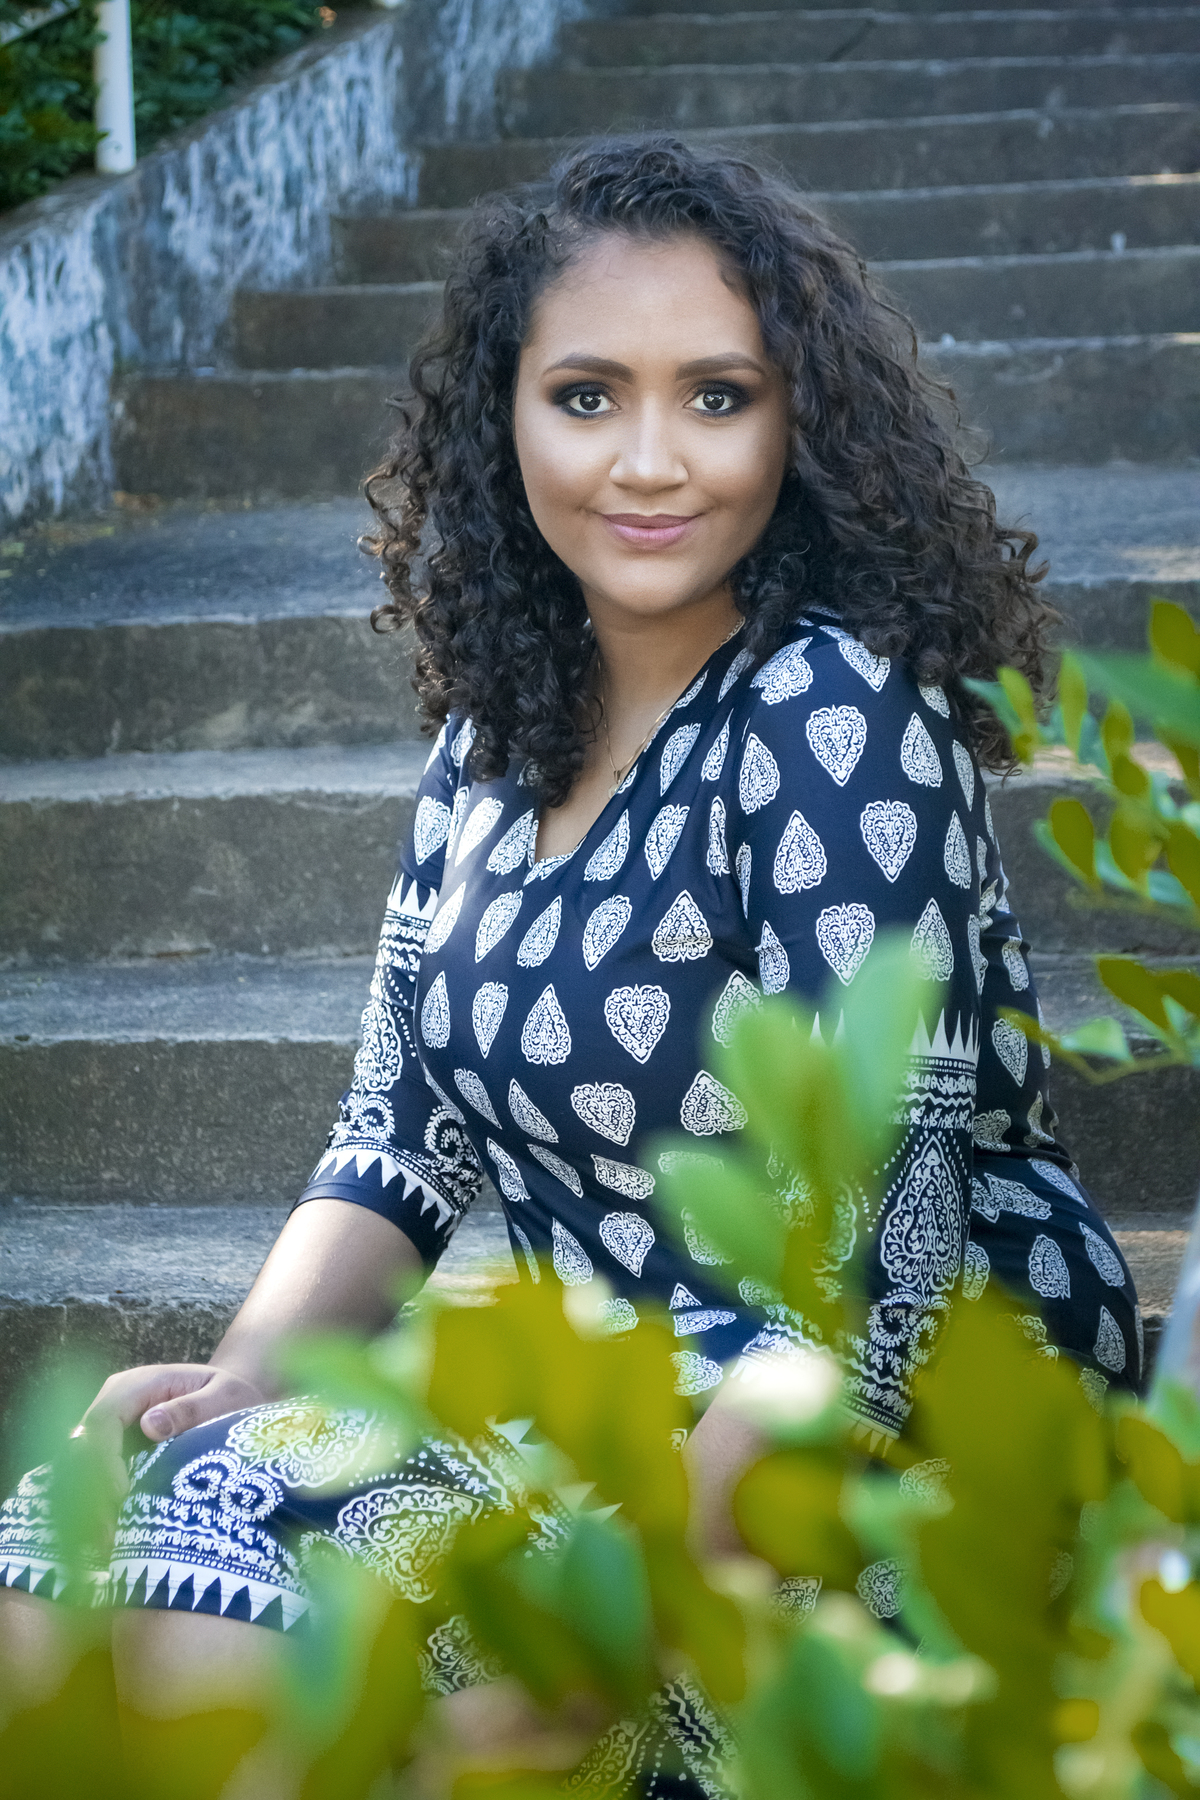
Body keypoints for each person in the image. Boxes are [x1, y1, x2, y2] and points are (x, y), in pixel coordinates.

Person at [0, 134, 1142, 1792]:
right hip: (604, 1400)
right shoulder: (494, 741)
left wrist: (615, 1620)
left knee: (236, 1615)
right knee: (63, 1563)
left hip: (883, 1444)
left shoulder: (831, 719)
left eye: (719, 397)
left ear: (799, 422)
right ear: (506, 418)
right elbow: (396, 1138)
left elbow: (877, 1286)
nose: (651, 462)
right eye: (589, 397)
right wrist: (242, 1381)